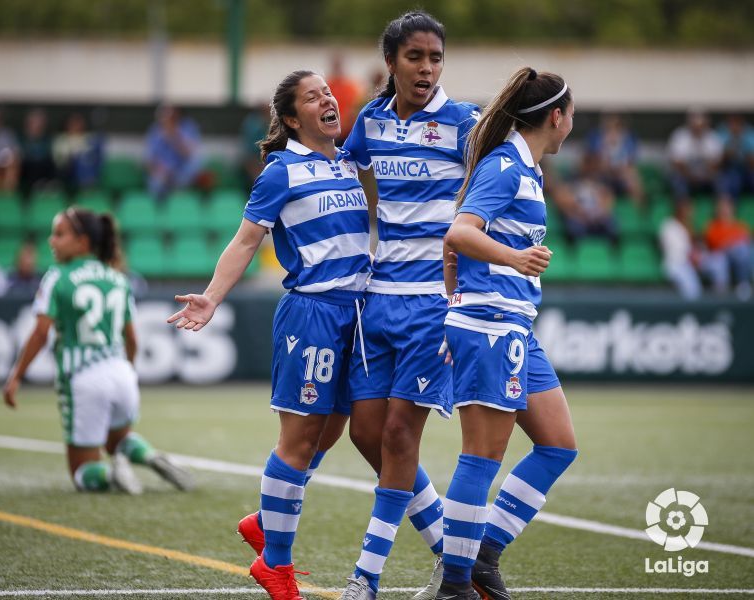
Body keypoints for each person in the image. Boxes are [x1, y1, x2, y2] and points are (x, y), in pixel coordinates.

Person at [168, 70, 371, 600]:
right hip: (313, 315)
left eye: (328, 92)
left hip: (358, 314)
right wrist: (212, 296)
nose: (328, 99)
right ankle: (274, 565)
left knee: (332, 430)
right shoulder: (282, 171)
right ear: (290, 118)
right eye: (313, 96)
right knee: (299, 439)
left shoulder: (349, 159)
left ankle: (265, 520)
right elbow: (244, 242)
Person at [338, 12, 480, 600]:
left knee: (399, 434)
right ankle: (457, 560)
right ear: (391, 61)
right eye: (416, 57)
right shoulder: (370, 120)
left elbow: (494, 194)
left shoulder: (466, 124)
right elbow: (343, 177)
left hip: (432, 305)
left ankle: (365, 577)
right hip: (379, 299)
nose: (427, 68)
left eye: (436, 58)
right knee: (366, 435)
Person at [439, 67, 579, 600]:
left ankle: (484, 554)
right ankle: (456, 585)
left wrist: (457, 289)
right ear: (555, 117)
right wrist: (515, 259)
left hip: (513, 324)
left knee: (558, 445)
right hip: (492, 326)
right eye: (572, 117)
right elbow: (459, 231)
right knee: (481, 457)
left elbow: (455, 245)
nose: (572, 126)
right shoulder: (506, 165)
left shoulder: (528, 168)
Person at [3, 207, 194, 495]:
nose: (51, 241)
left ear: (82, 242)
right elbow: (132, 339)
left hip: (82, 377)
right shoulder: (118, 278)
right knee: (117, 439)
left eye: (59, 234)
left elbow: (41, 331)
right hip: (121, 374)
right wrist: (127, 370)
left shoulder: (58, 276)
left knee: (82, 472)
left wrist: (16, 375)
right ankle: (148, 455)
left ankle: (110, 476)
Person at [666, 109, 729, 205]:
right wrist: (690, 176)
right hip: (686, 176)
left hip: (707, 177)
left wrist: (706, 174)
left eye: (701, 126)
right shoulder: (680, 136)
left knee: (722, 181)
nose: (698, 129)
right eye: (695, 126)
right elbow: (677, 163)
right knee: (677, 181)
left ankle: (722, 211)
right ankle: (683, 210)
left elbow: (717, 163)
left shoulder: (712, 137)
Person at [144, 105, 204, 200]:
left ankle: (179, 197)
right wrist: (159, 170)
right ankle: (160, 208)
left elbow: (189, 154)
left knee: (196, 162)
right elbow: (149, 160)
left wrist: (173, 136)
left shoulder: (187, 127)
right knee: (155, 182)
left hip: (182, 172)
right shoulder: (155, 130)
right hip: (163, 173)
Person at [584, 113, 644, 205]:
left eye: (616, 125)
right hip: (601, 173)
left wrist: (620, 169)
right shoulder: (596, 137)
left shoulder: (627, 138)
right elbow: (592, 161)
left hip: (621, 173)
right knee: (592, 180)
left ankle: (637, 213)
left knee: (633, 178)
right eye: (609, 125)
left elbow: (630, 162)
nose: (613, 128)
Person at [704, 197, 753, 298]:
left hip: (740, 259)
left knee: (746, 250)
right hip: (720, 258)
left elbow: (747, 241)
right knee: (726, 258)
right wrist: (732, 243)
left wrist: (733, 242)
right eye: (721, 208)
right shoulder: (713, 226)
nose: (724, 210)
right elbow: (715, 245)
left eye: (727, 207)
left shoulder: (740, 226)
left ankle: (744, 284)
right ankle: (729, 289)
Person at [53, 112, 103, 192]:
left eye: (79, 123)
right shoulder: (62, 139)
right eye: (73, 123)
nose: (76, 126)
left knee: (84, 163)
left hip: (84, 175)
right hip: (66, 173)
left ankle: (87, 188)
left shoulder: (88, 138)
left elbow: (94, 158)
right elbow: (59, 161)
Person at [19, 108, 57, 194]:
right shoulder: (21, 139)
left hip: (44, 168)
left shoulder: (47, 140)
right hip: (27, 169)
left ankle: (49, 184)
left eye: (40, 124)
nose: (37, 126)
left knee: (48, 162)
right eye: (34, 123)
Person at [325, 52, 362, 141]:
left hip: (345, 132)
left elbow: (355, 110)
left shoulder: (351, 87)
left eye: (338, 64)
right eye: (335, 64)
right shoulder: (326, 85)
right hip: (330, 128)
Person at [717, 114, 754, 201]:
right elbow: (720, 161)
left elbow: (752, 162)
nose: (735, 127)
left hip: (747, 168)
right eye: (732, 124)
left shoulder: (749, 134)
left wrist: (745, 150)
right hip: (729, 168)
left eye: (737, 124)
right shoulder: (723, 134)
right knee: (733, 182)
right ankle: (732, 208)